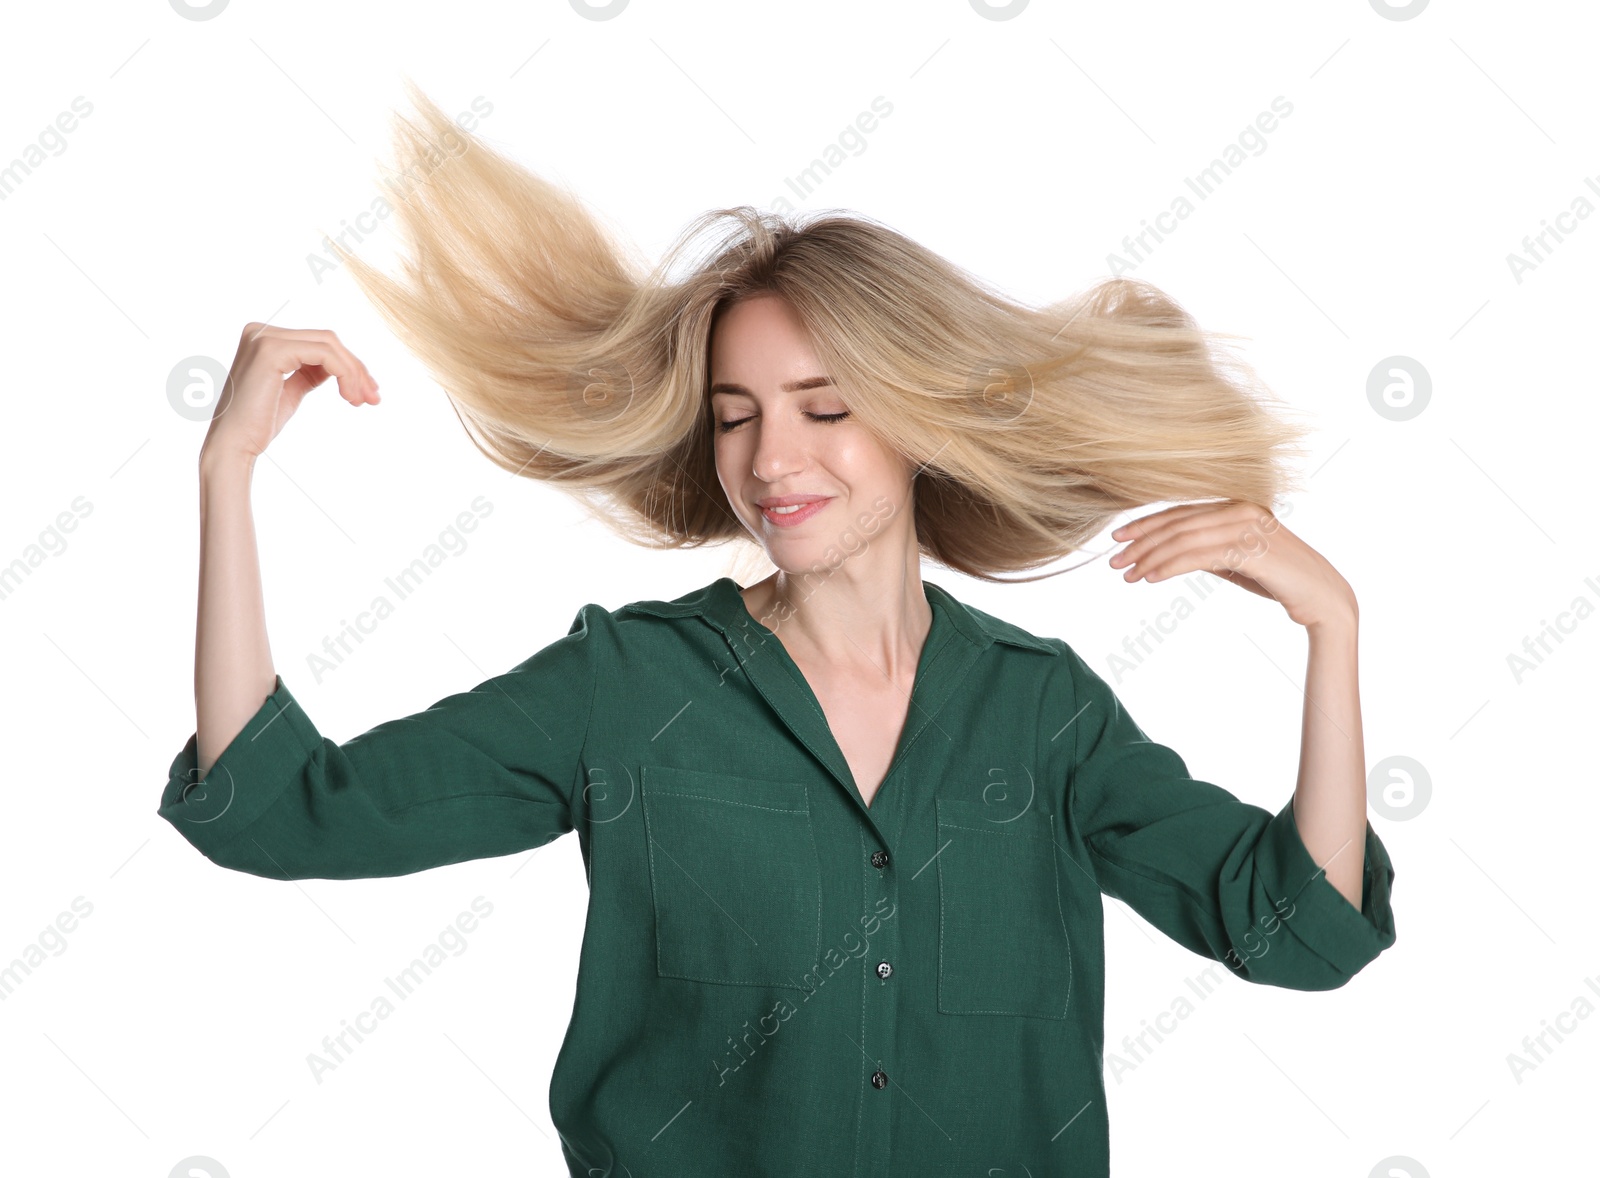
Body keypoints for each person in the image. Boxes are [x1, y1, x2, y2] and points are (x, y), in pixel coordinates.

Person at [159, 83, 1396, 1178]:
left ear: (915, 420)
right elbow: (282, 810)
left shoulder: (1046, 712)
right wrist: (229, 478)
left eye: (825, 408)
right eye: (736, 413)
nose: (771, 459)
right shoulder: (627, 687)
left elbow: (1296, 930)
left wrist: (1330, 628)